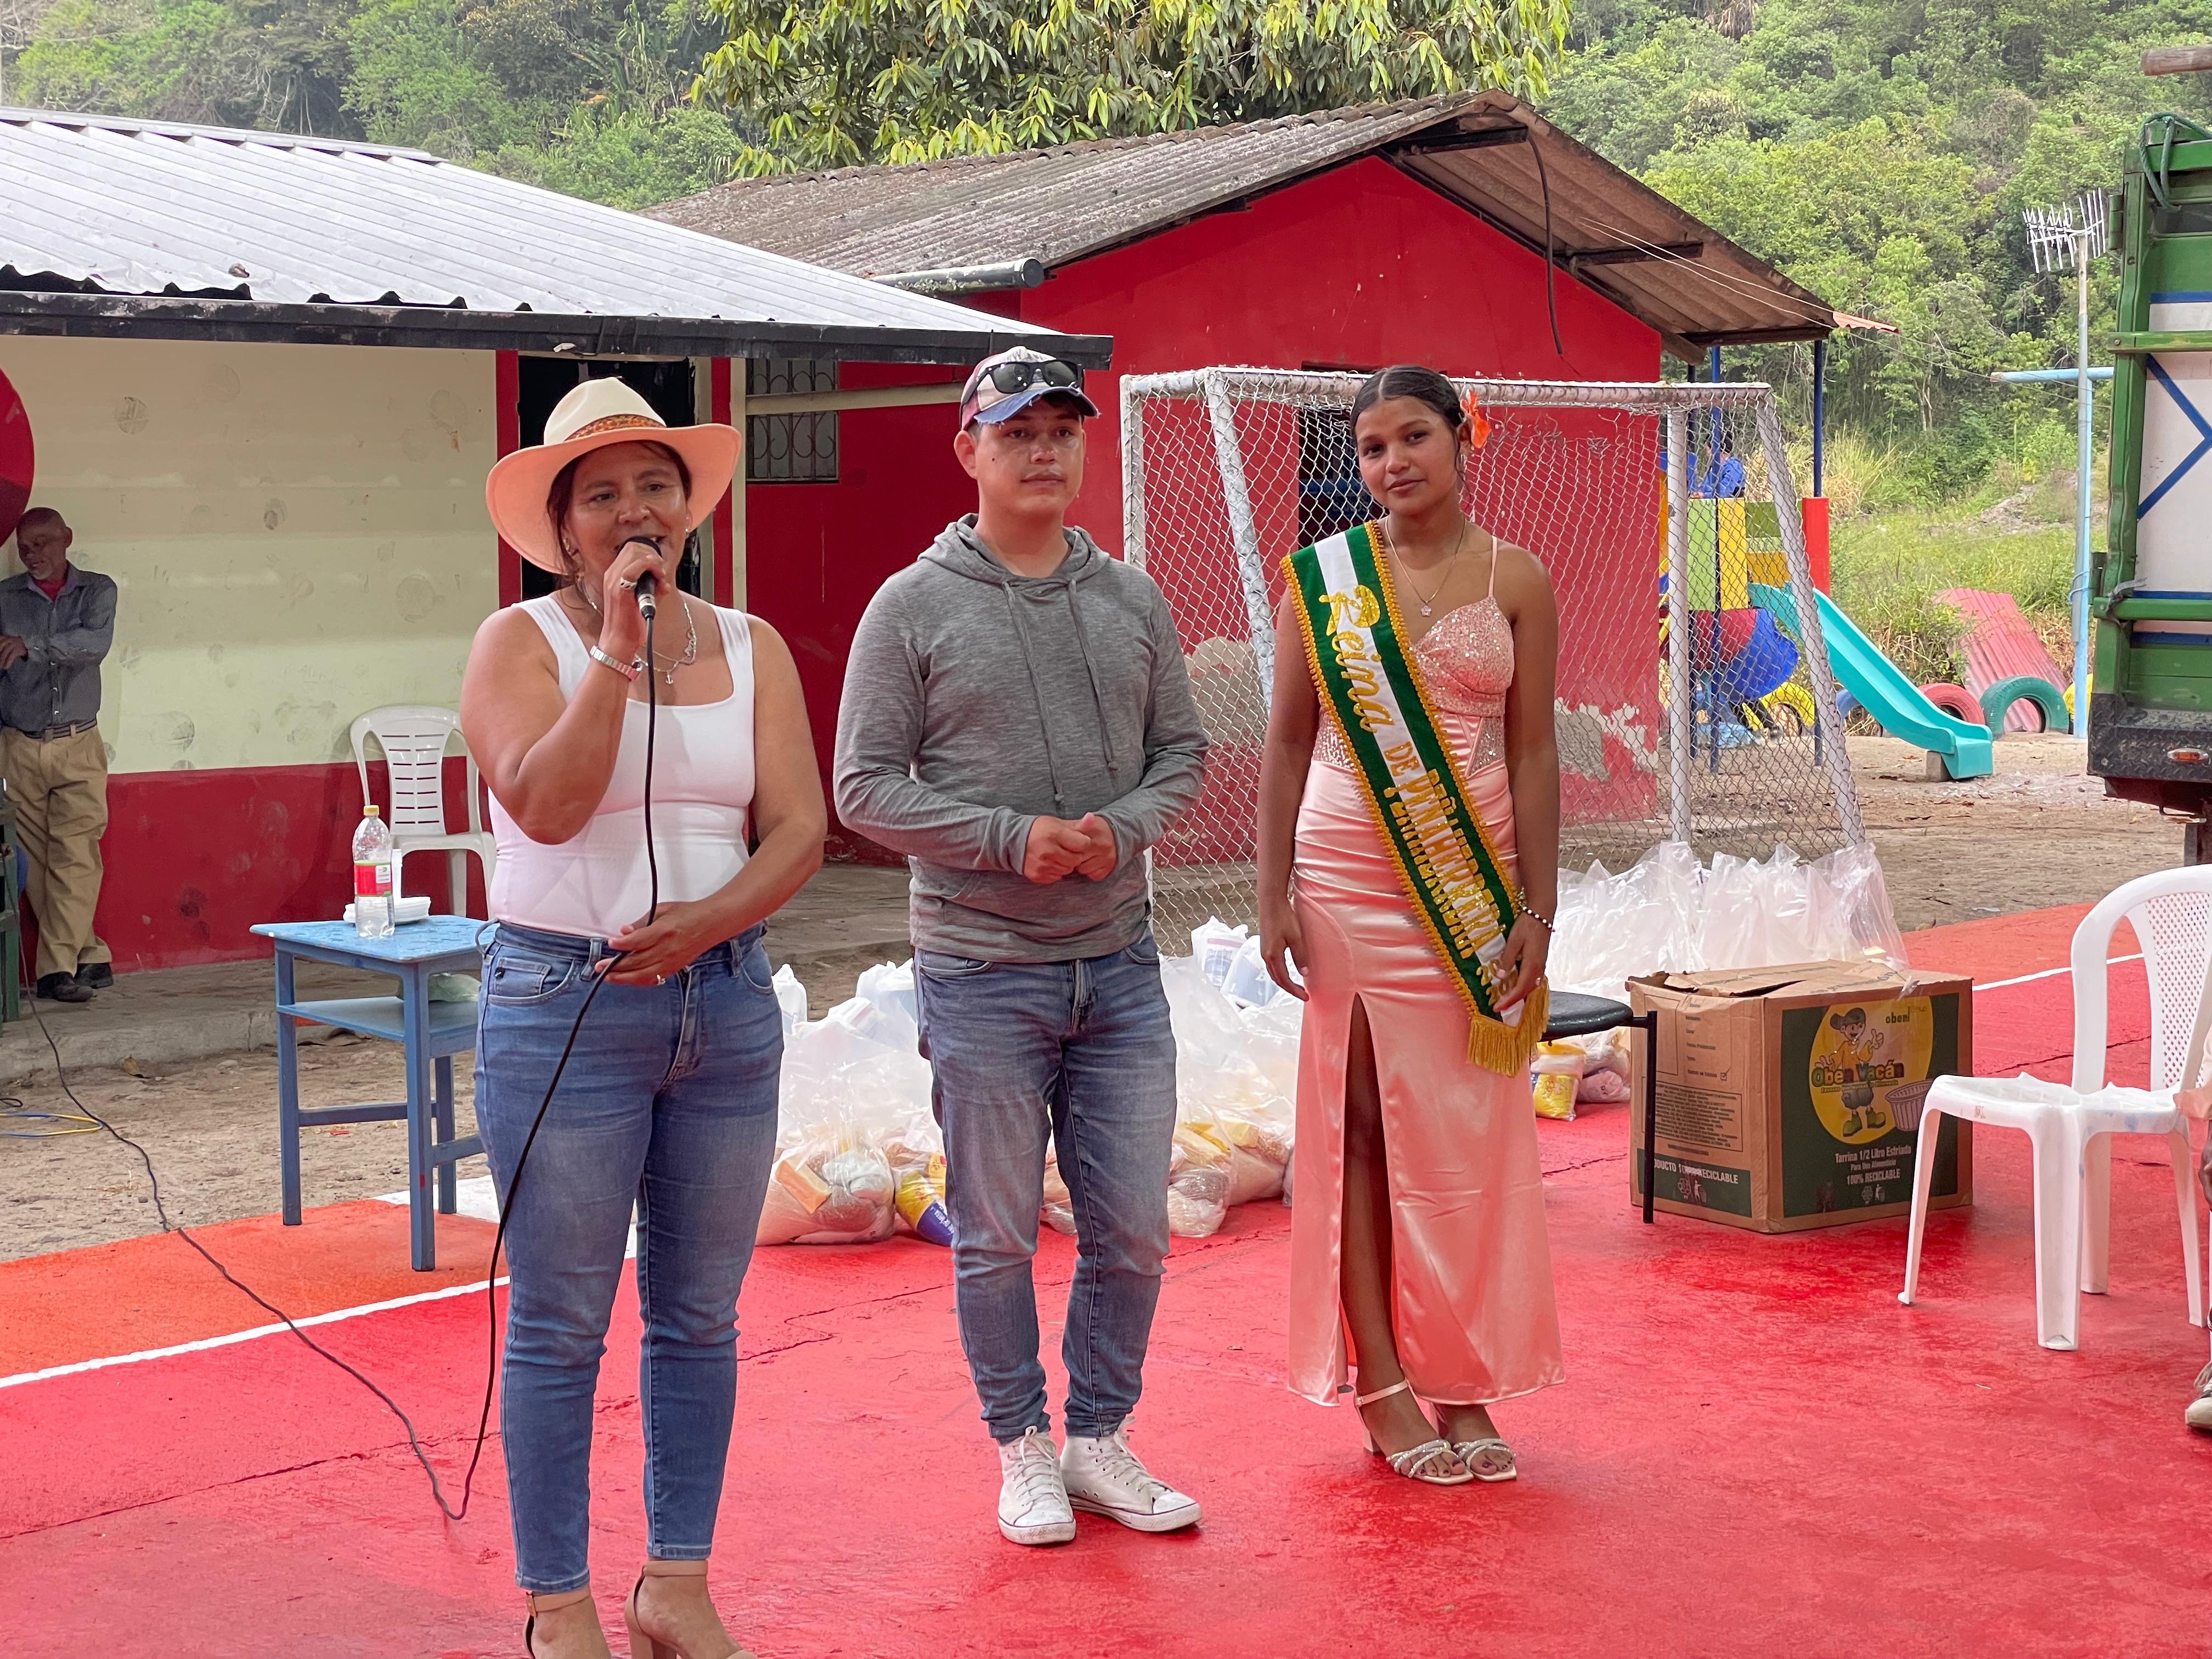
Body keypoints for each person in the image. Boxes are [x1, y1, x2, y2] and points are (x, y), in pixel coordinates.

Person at [463, 377, 825, 1659]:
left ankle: (676, 1582)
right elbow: (548, 806)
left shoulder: (754, 645)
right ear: (562, 529)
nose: (634, 511)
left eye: (655, 486)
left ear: (688, 507)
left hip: (722, 1007)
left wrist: (710, 921)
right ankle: (557, 1603)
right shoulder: (517, 646)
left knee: (699, 1317)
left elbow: (799, 830)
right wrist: (617, 648)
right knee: (562, 1321)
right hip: (565, 1008)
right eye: (602, 494)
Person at [834, 346, 1210, 1546]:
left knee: (1133, 1228)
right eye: (1016, 433)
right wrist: (1008, 838)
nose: (1043, 451)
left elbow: (1183, 754)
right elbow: (862, 786)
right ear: (969, 450)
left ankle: (1099, 1438)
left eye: (1061, 430)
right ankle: (1022, 1447)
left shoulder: (1131, 599)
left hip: (1120, 965)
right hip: (981, 968)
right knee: (994, 1233)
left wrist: (1123, 827)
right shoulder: (911, 605)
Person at [1257, 363, 1566, 1487]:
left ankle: (1460, 1376)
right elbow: (1287, 742)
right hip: (1346, 874)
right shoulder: (1323, 582)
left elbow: (1534, 748)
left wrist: (1537, 908)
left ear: (1460, 438)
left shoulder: (1517, 577)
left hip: (1469, 886)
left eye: (1414, 437)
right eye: (1373, 447)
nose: (1393, 462)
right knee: (1362, 1131)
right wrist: (1271, 892)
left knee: (1463, 1137)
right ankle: (1383, 1381)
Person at [0, 506, 118, 1003]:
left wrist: (31, 645)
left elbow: (93, 645)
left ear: (67, 538)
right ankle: (90, 953)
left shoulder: (97, 591)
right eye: (25, 547)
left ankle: (55, 970)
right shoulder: (4, 598)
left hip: (78, 743)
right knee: (36, 862)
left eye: (44, 543)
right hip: (19, 744)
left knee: (77, 854)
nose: (33, 555)